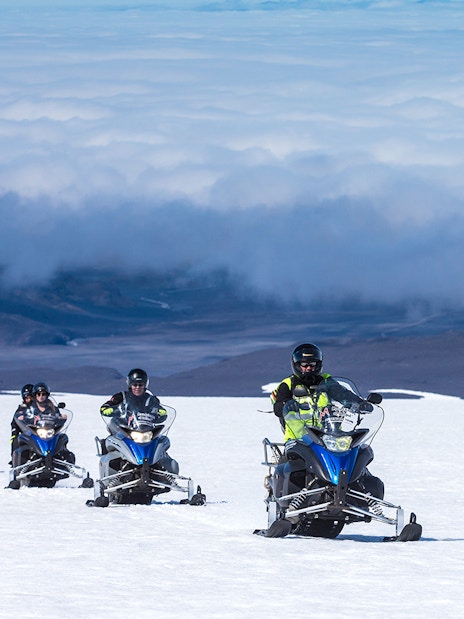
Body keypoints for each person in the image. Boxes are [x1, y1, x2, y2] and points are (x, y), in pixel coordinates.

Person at [271, 343, 371, 441]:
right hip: (298, 440)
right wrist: (287, 405)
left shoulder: (326, 382)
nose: (309, 367)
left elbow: (343, 395)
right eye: (304, 364)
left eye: (312, 364)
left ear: (318, 364)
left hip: (328, 438)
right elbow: (278, 408)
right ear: (297, 365)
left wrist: (360, 403)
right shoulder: (288, 384)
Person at [100, 368, 178, 473]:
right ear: (130, 385)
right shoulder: (121, 397)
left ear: (145, 385)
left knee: (162, 444)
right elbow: (105, 407)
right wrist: (111, 410)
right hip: (124, 432)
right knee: (111, 445)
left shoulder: (150, 399)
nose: (137, 387)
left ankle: (165, 473)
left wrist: (160, 413)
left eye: (140, 385)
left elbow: (161, 411)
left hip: (146, 432)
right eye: (135, 385)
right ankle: (112, 474)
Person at [12, 382, 75, 465]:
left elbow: (58, 418)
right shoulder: (31, 408)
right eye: (38, 394)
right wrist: (23, 417)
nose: (41, 396)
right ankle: (23, 465)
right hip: (35, 432)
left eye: (43, 394)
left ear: (47, 395)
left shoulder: (52, 407)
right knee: (21, 439)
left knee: (62, 438)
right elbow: (24, 416)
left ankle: (64, 464)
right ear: (35, 395)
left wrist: (62, 417)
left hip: (50, 431)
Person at [9, 383, 34, 463]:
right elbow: (14, 422)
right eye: (27, 398)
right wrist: (14, 433)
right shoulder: (21, 409)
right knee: (16, 440)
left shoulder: (41, 407)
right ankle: (16, 460)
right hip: (27, 432)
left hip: (40, 431)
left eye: (31, 398)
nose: (29, 400)